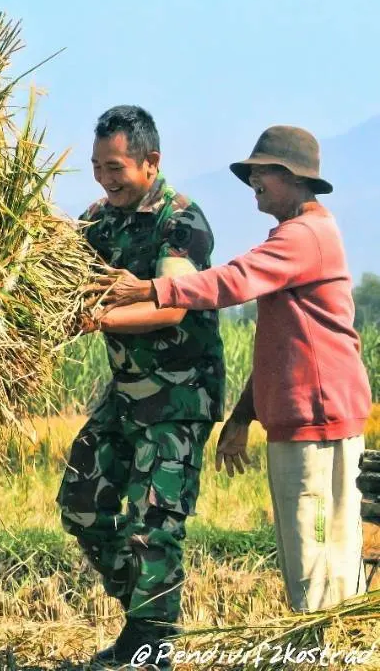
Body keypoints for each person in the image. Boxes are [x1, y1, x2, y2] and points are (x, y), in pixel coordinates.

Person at [94, 125, 371, 613]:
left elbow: (233, 281)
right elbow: (277, 352)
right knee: (305, 545)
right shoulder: (294, 236)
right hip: (300, 417)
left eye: (261, 172)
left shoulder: (305, 236)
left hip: (319, 421)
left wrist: (153, 290)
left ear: (291, 176)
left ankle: (325, 648)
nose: (253, 183)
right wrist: (242, 416)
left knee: (318, 549)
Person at [58, 105, 226, 669]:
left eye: (116, 167)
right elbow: (58, 265)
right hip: (127, 390)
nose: (105, 179)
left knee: (154, 521)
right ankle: (144, 617)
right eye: (97, 167)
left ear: (150, 163)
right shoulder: (99, 220)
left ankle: (151, 644)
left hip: (180, 394)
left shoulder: (181, 220)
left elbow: (171, 307)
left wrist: (96, 319)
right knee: (82, 504)